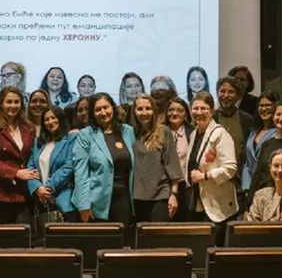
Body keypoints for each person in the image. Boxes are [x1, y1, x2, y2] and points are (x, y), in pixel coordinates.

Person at [73, 93, 136, 233]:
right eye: (98, 109)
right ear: (92, 113)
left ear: (113, 108)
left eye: (106, 107)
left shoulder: (127, 131)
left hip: (124, 199)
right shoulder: (86, 134)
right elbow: (80, 172)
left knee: (123, 242)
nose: (103, 112)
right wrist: (83, 205)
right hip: (96, 201)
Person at [186, 92, 239, 245]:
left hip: (219, 205)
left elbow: (230, 168)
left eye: (204, 108)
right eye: (195, 108)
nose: (199, 112)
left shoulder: (220, 134)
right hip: (199, 202)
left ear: (212, 110)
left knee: (216, 250)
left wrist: (205, 176)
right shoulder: (194, 134)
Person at [0, 86, 37, 224]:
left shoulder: (29, 128)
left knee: (24, 235)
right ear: (1, 104)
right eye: (9, 102)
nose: (13, 106)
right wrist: (16, 173)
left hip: (23, 193)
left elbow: (32, 156)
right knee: (1, 236)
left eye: (16, 102)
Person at [131, 94, 183, 222]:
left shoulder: (164, 131)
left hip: (161, 196)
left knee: (157, 234)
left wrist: (174, 194)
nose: (144, 112)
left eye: (148, 108)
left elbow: (172, 165)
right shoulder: (129, 133)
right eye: (140, 109)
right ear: (134, 112)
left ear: (154, 111)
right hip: (136, 197)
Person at [27, 107, 77, 222]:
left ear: (60, 119)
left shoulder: (71, 138)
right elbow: (31, 167)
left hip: (64, 201)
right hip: (41, 201)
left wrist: (47, 188)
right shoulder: (38, 141)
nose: (50, 122)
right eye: (46, 119)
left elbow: (68, 167)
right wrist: (37, 188)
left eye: (53, 118)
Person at [213, 75, 255, 182]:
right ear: (217, 93)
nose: (226, 95)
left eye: (231, 92)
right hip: (216, 180)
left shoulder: (247, 120)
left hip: (241, 180)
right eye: (222, 91)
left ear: (238, 96)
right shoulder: (211, 119)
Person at [241, 90, 279, 199]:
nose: (264, 109)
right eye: (261, 105)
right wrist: (247, 188)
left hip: (270, 187)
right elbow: (247, 163)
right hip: (250, 188)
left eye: (268, 105)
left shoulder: (278, 132)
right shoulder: (253, 132)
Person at [165, 97, 192, 220]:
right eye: (171, 110)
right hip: (165, 186)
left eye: (180, 110)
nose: (175, 113)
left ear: (186, 114)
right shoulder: (159, 132)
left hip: (187, 187)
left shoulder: (193, 132)